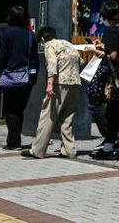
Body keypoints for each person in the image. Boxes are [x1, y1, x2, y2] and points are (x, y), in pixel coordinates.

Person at [21, 26, 82, 159]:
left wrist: (49, 85)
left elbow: (52, 66)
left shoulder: (49, 45)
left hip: (59, 84)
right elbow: (80, 61)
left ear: (42, 38)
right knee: (67, 118)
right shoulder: (68, 44)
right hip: (75, 83)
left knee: (47, 116)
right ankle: (69, 150)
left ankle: (37, 150)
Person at [91, 0, 119, 160]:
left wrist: (97, 51)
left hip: (116, 77)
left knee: (118, 112)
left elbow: (112, 55)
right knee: (112, 112)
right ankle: (109, 147)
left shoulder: (111, 30)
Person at [0, 6, 38, 150]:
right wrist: (34, 78)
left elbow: (2, 56)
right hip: (26, 78)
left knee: (10, 110)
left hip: (9, 77)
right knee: (19, 109)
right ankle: (15, 140)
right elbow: (35, 59)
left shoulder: (7, 32)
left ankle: (13, 142)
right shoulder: (30, 34)